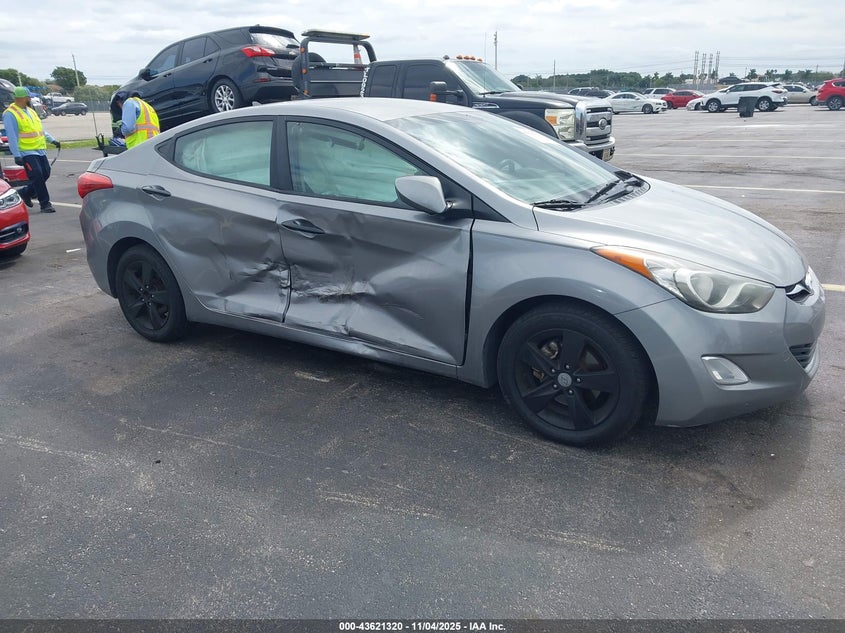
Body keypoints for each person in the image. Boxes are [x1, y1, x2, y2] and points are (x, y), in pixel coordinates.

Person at [3, 87, 61, 213]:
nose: (30, 99)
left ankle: (25, 192)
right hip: (26, 151)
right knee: (38, 176)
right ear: (23, 98)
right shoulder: (10, 114)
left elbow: (40, 130)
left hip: (39, 149)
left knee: (46, 172)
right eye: (29, 97)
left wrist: (52, 140)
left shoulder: (30, 111)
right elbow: (12, 136)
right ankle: (45, 204)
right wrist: (17, 154)